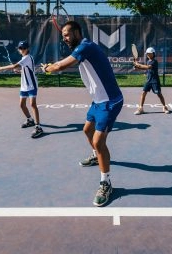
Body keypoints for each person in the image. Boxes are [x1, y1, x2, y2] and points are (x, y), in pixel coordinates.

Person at [41, 21, 123, 207]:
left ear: (77, 32)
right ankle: (97, 156)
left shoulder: (86, 46)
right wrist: (53, 65)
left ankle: (106, 183)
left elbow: (62, 66)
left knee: (98, 141)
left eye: (67, 34)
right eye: (63, 36)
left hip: (110, 101)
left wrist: (48, 68)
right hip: (98, 101)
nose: (65, 38)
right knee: (87, 130)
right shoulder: (83, 47)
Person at [0, 41, 44, 139]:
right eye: (20, 48)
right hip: (24, 85)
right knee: (21, 105)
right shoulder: (24, 58)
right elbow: (27, 69)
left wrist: (0, 68)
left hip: (31, 85)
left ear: (27, 49)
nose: (20, 50)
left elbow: (13, 66)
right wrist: (20, 71)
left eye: (22, 48)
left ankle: (38, 127)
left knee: (32, 104)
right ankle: (30, 120)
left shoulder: (27, 57)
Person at [133, 47, 170, 115]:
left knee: (159, 94)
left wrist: (138, 64)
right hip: (148, 80)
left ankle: (165, 107)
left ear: (153, 54)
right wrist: (137, 67)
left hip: (155, 81)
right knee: (143, 93)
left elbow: (148, 67)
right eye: (147, 53)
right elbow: (146, 69)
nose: (148, 55)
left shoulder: (154, 61)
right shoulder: (148, 61)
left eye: (149, 53)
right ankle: (141, 108)